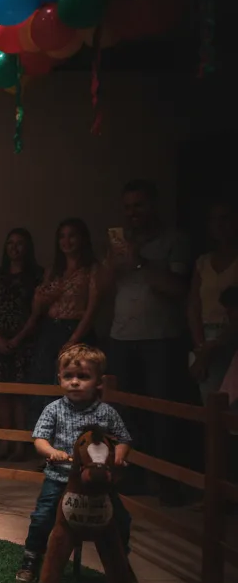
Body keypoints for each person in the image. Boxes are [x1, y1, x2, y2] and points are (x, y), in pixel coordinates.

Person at [100, 179, 192, 502]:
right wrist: (113, 264)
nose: (132, 213)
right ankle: (130, 476)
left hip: (161, 339)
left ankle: (164, 482)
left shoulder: (174, 240)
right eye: (127, 207)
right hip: (121, 336)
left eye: (138, 205)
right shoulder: (118, 243)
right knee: (123, 412)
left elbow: (179, 289)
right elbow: (103, 290)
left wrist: (140, 260)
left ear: (152, 205)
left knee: (161, 412)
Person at [16, 344, 132, 583]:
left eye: (83, 377)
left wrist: (119, 455)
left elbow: (123, 438)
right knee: (43, 516)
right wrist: (51, 451)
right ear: (60, 379)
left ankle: (122, 560)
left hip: (99, 481)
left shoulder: (106, 412)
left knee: (121, 518)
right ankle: (31, 557)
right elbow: (39, 439)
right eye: (69, 376)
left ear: (98, 381)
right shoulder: (53, 409)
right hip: (61, 477)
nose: (75, 382)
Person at [27, 218, 100, 421]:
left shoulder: (91, 269)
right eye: (62, 236)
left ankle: (70, 439)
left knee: (72, 385)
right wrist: (42, 295)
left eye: (72, 236)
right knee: (42, 382)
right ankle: (43, 439)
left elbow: (92, 309)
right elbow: (37, 307)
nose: (66, 241)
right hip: (50, 328)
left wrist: (74, 339)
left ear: (82, 239)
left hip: (77, 329)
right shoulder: (53, 270)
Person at [0, 228, 42, 461]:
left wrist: (18, 338)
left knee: (20, 394)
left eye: (19, 243)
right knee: (1, 393)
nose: (14, 248)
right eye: (10, 243)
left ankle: (20, 446)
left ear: (27, 248)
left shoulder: (36, 275)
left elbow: (37, 313)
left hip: (25, 340)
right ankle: (4, 443)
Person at [189, 200, 238, 403]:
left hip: (233, 335)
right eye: (213, 220)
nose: (219, 225)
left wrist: (212, 347)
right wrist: (201, 347)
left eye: (224, 218)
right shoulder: (203, 262)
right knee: (210, 402)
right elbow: (193, 306)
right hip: (205, 334)